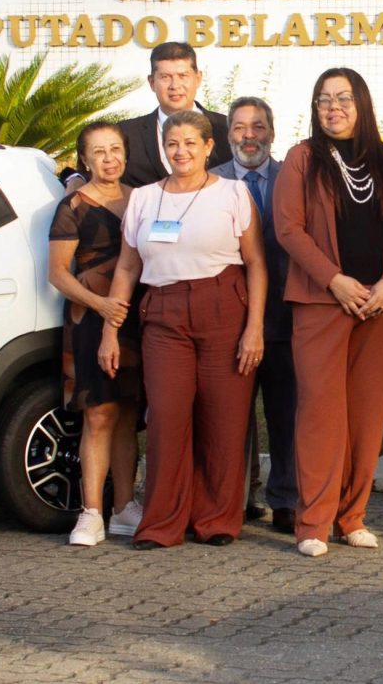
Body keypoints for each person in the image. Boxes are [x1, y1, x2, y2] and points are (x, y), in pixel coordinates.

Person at [275, 68, 383, 558]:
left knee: (366, 413)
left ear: (361, 103)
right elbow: (288, 228)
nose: (333, 107)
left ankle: (351, 517)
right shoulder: (302, 159)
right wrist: (334, 280)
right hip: (322, 302)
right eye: (323, 99)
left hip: (379, 305)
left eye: (342, 98)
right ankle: (313, 523)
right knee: (320, 412)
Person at [106, 111, 268, 548]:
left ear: (208, 147)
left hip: (224, 309)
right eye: (173, 144)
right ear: (163, 148)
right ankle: (162, 523)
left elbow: (256, 263)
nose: (181, 152)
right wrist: (110, 329)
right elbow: (126, 267)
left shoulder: (232, 193)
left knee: (223, 419)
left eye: (190, 143)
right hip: (164, 315)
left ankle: (216, 520)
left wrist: (254, 327)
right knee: (166, 417)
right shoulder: (144, 198)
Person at [51, 121, 143, 547]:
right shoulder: (73, 206)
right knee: (99, 412)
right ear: (85, 160)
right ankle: (90, 512)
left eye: (116, 149)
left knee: (128, 412)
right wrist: (100, 305)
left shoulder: (143, 199)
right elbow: (57, 274)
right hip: (90, 318)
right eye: (100, 152)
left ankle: (124, 508)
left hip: (137, 316)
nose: (110, 159)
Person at [217, 97, 296, 533]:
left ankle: (286, 501)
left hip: (286, 316)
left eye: (259, 126)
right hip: (227, 318)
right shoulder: (208, 182)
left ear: (272, 132)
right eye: (240, 127)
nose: (250, 136)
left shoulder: (293, 178)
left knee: (286, 415)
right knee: (231, 418)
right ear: (228, 133)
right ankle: (236, 499)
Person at [118, 41, 232, 186]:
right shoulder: (126, 134)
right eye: (165, 77)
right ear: (152, 82)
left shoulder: (226, 129)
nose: (175, 86)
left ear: (198, 78)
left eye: (183, 76)